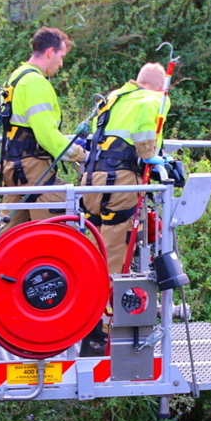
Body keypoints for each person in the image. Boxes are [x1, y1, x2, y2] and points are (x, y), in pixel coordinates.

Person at [80, 62, 169, 275]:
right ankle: (106, 304)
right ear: (159, 87)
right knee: (114, 249)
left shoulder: (113, 98)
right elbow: (145, 124)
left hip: (92, 179)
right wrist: (149, 155)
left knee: (93, 244)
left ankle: (84, 295)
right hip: (121, 182)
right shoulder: (155, 98)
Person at [0, 27, 86, 229]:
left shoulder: (16, 77)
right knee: (56, 227)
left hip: (13, 166)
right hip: (33, 168)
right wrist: (81, 154)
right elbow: (46, 135)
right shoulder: (36, 83)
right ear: (50, 52)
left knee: (9, 232)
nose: (61, 63)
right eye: (61, 56)